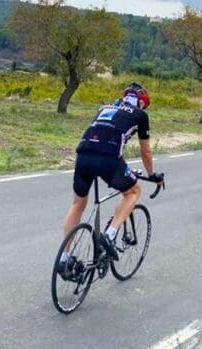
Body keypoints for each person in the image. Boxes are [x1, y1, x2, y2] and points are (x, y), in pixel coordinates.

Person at [60, 83, 163, 268]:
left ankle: (64, 259)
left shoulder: (105, 108)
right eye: (143, 105)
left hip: (83, 154)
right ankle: (111, 235)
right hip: (108, 159)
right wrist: (152, 174)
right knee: (133, 191)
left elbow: (104, 132)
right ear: (140, 102)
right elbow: (145, 151)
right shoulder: (140, 115)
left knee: (78, 204)